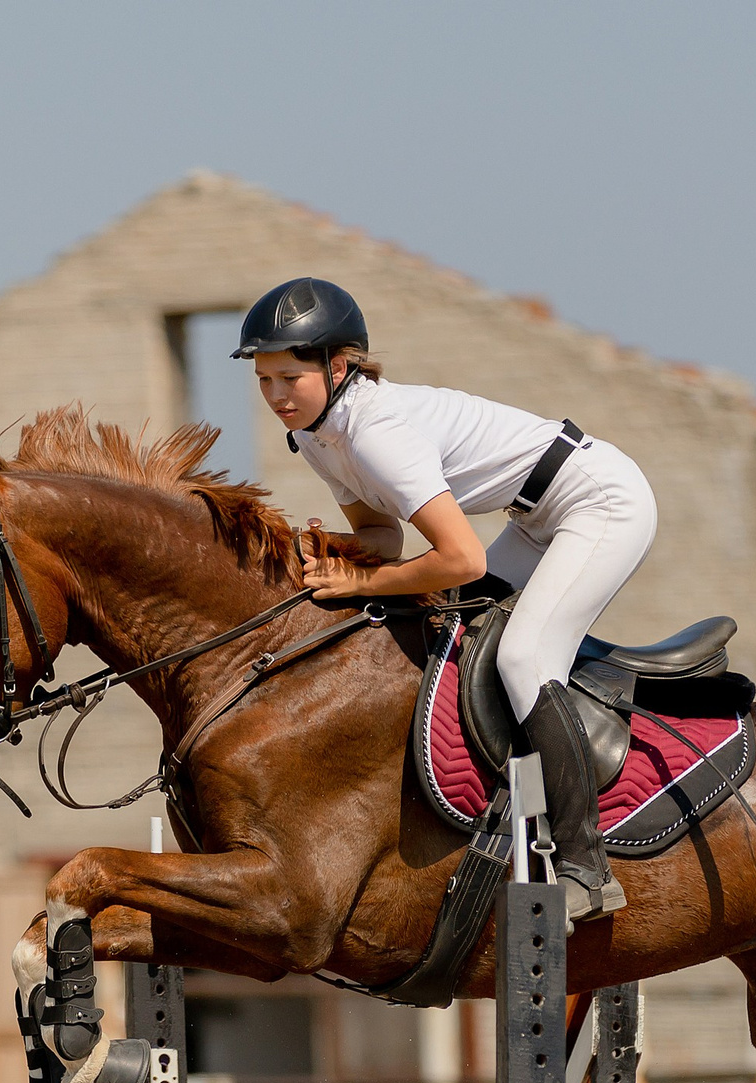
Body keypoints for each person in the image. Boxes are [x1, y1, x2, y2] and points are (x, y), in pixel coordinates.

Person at [233, 277, 655, 924]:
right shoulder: (319, 434)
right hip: (536, 517)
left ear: (338, 366)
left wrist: (363, 583)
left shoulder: (375, 431)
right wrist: (323, 548)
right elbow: (384, 533)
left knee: (521, 659)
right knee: (459, 633)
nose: (276, 396)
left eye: (289, 377)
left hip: (600, 501)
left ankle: (587, 868)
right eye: (264, 380)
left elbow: (462, 559)